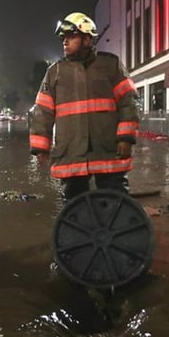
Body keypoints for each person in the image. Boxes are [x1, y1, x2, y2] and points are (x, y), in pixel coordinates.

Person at [29, 12, 140, 203]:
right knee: (75, 204)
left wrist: (126, 139)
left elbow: (128, 101)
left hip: (107, 148)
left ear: (87, 38)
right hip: (71, 151)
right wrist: (41, 147)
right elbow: (42, 111)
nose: (65, 42)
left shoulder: (110, 65)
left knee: (116, 201)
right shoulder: (55, 72)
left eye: (71, 36)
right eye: (63, 38)